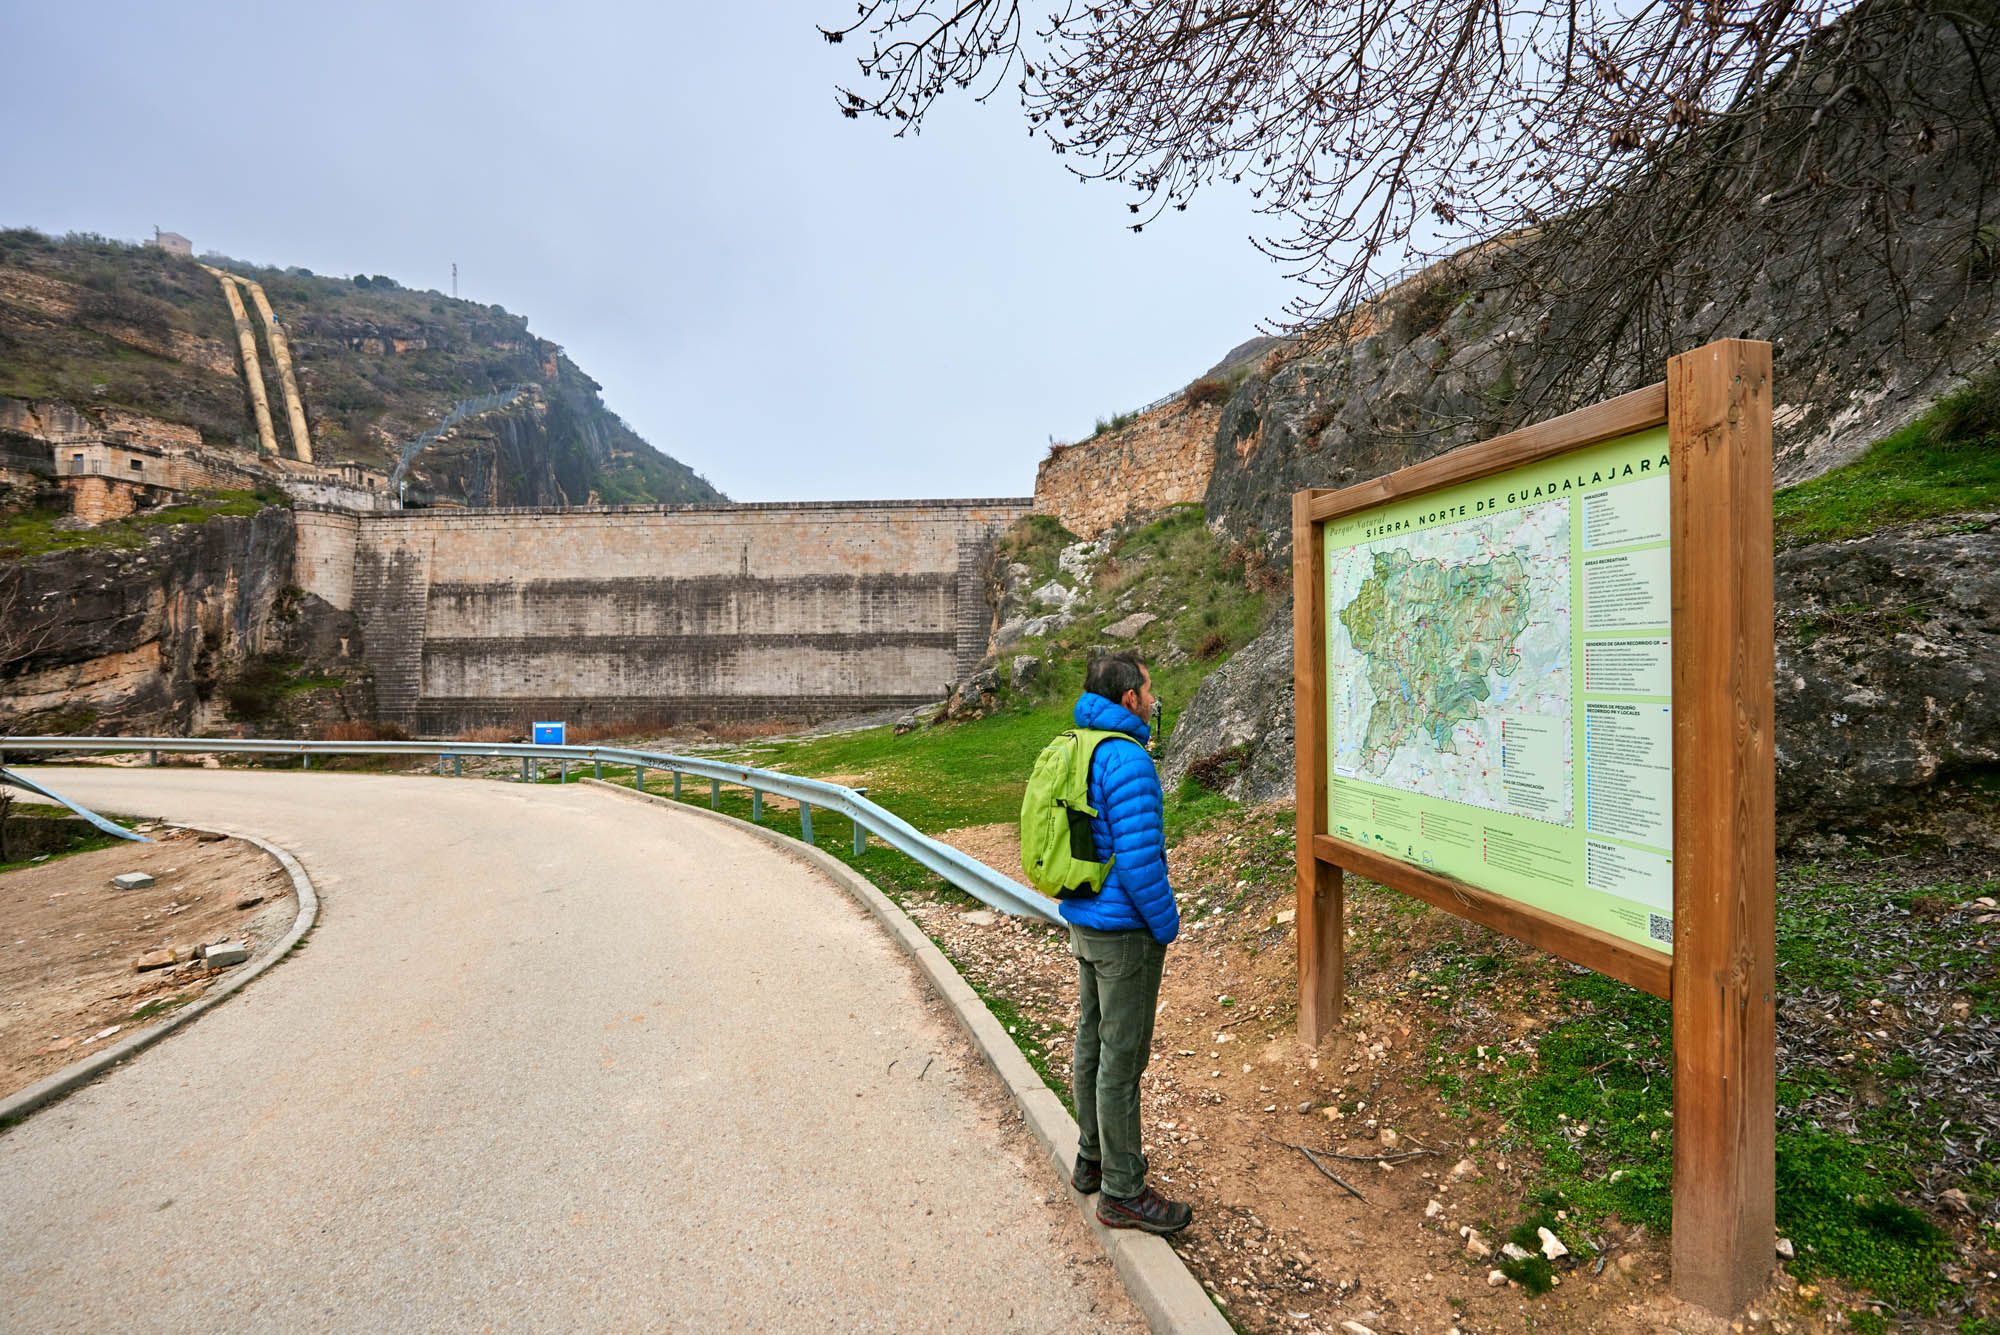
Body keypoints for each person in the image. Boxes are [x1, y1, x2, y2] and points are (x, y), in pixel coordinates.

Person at [1060, 651, 1192, 1235]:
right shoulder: (1128, 759)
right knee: (1122, 1057)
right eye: (1148, 687)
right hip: (1124, 934)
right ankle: (1123, 1189)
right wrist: (1166, 924)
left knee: (1092, 1041)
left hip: (1086, 918)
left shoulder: (1078, 746)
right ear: (1128, 699)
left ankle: (1091, 1158)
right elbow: (1140, 864)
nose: (1153, 695)